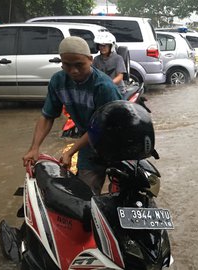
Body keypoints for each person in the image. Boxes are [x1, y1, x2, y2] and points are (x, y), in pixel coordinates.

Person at [22, 36, 123, 195]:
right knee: (85, 196)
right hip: (89, 144)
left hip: (117, 141)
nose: (73, 71)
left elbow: (100, 126)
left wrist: (70, 151)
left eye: (79, 65)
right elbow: (47, 116)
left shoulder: (103, 86)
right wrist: (34, 148)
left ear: (90, 60)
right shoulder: (58, 81)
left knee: (122, 195)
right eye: (67, 65)